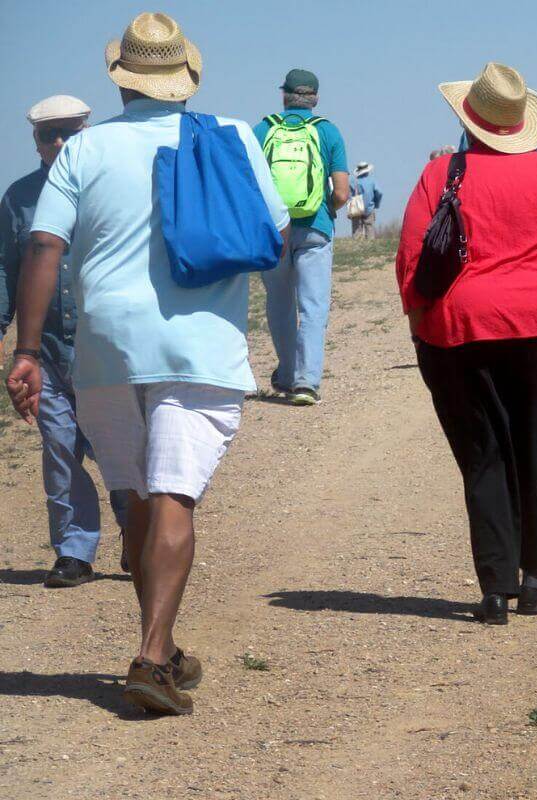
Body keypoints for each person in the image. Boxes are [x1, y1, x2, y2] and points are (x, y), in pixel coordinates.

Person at [4, 12, 289, 715]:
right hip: (197, 345)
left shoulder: (81, 150)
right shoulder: (229, 140)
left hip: (104, 348)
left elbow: (44, 248)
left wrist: (28, 350)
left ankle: (163, 647)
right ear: (184, 75)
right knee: (172, 496)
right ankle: (150, 657)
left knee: (136, 497)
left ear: (121, 79)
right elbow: (277, 230)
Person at [397, 62, 537, 625]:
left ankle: (495, 586)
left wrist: (419, 318)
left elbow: (413, 256)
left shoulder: (442, 172)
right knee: (536, 441)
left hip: (461, 328)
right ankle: (536, 572)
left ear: (471, 119)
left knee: (482, 453)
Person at [0, 95, 130, 588]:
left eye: (67, 133)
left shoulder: (110, 185)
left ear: (85, 131)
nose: (57, 142)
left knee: (118, 449)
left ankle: (135, 538)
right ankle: (73, 550)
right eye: (47, 134)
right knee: (59, 449)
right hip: (48, 350)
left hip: (107, 348)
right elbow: (5, 267)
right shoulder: (19, 198)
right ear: (34, 140)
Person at [254, 68, 349, 406]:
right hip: (315, 226)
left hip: (272, 232)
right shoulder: (327, 131)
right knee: (312, 306)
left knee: (279, 304)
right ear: (315, 98)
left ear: (284, 96)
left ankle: (287, 373)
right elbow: (341, 192)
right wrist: (329, 209)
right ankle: (306, 382)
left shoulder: (263, 128)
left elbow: (249, 183)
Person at [350, 161, 382, 240]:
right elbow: (379, 193)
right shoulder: (372, 181)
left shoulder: (353, 182)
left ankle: (357, 248)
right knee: (370, 229)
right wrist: (376, 204)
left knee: (356, 231)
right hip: (369, 208)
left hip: (356, 209)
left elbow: (349, 196)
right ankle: (370, 249)